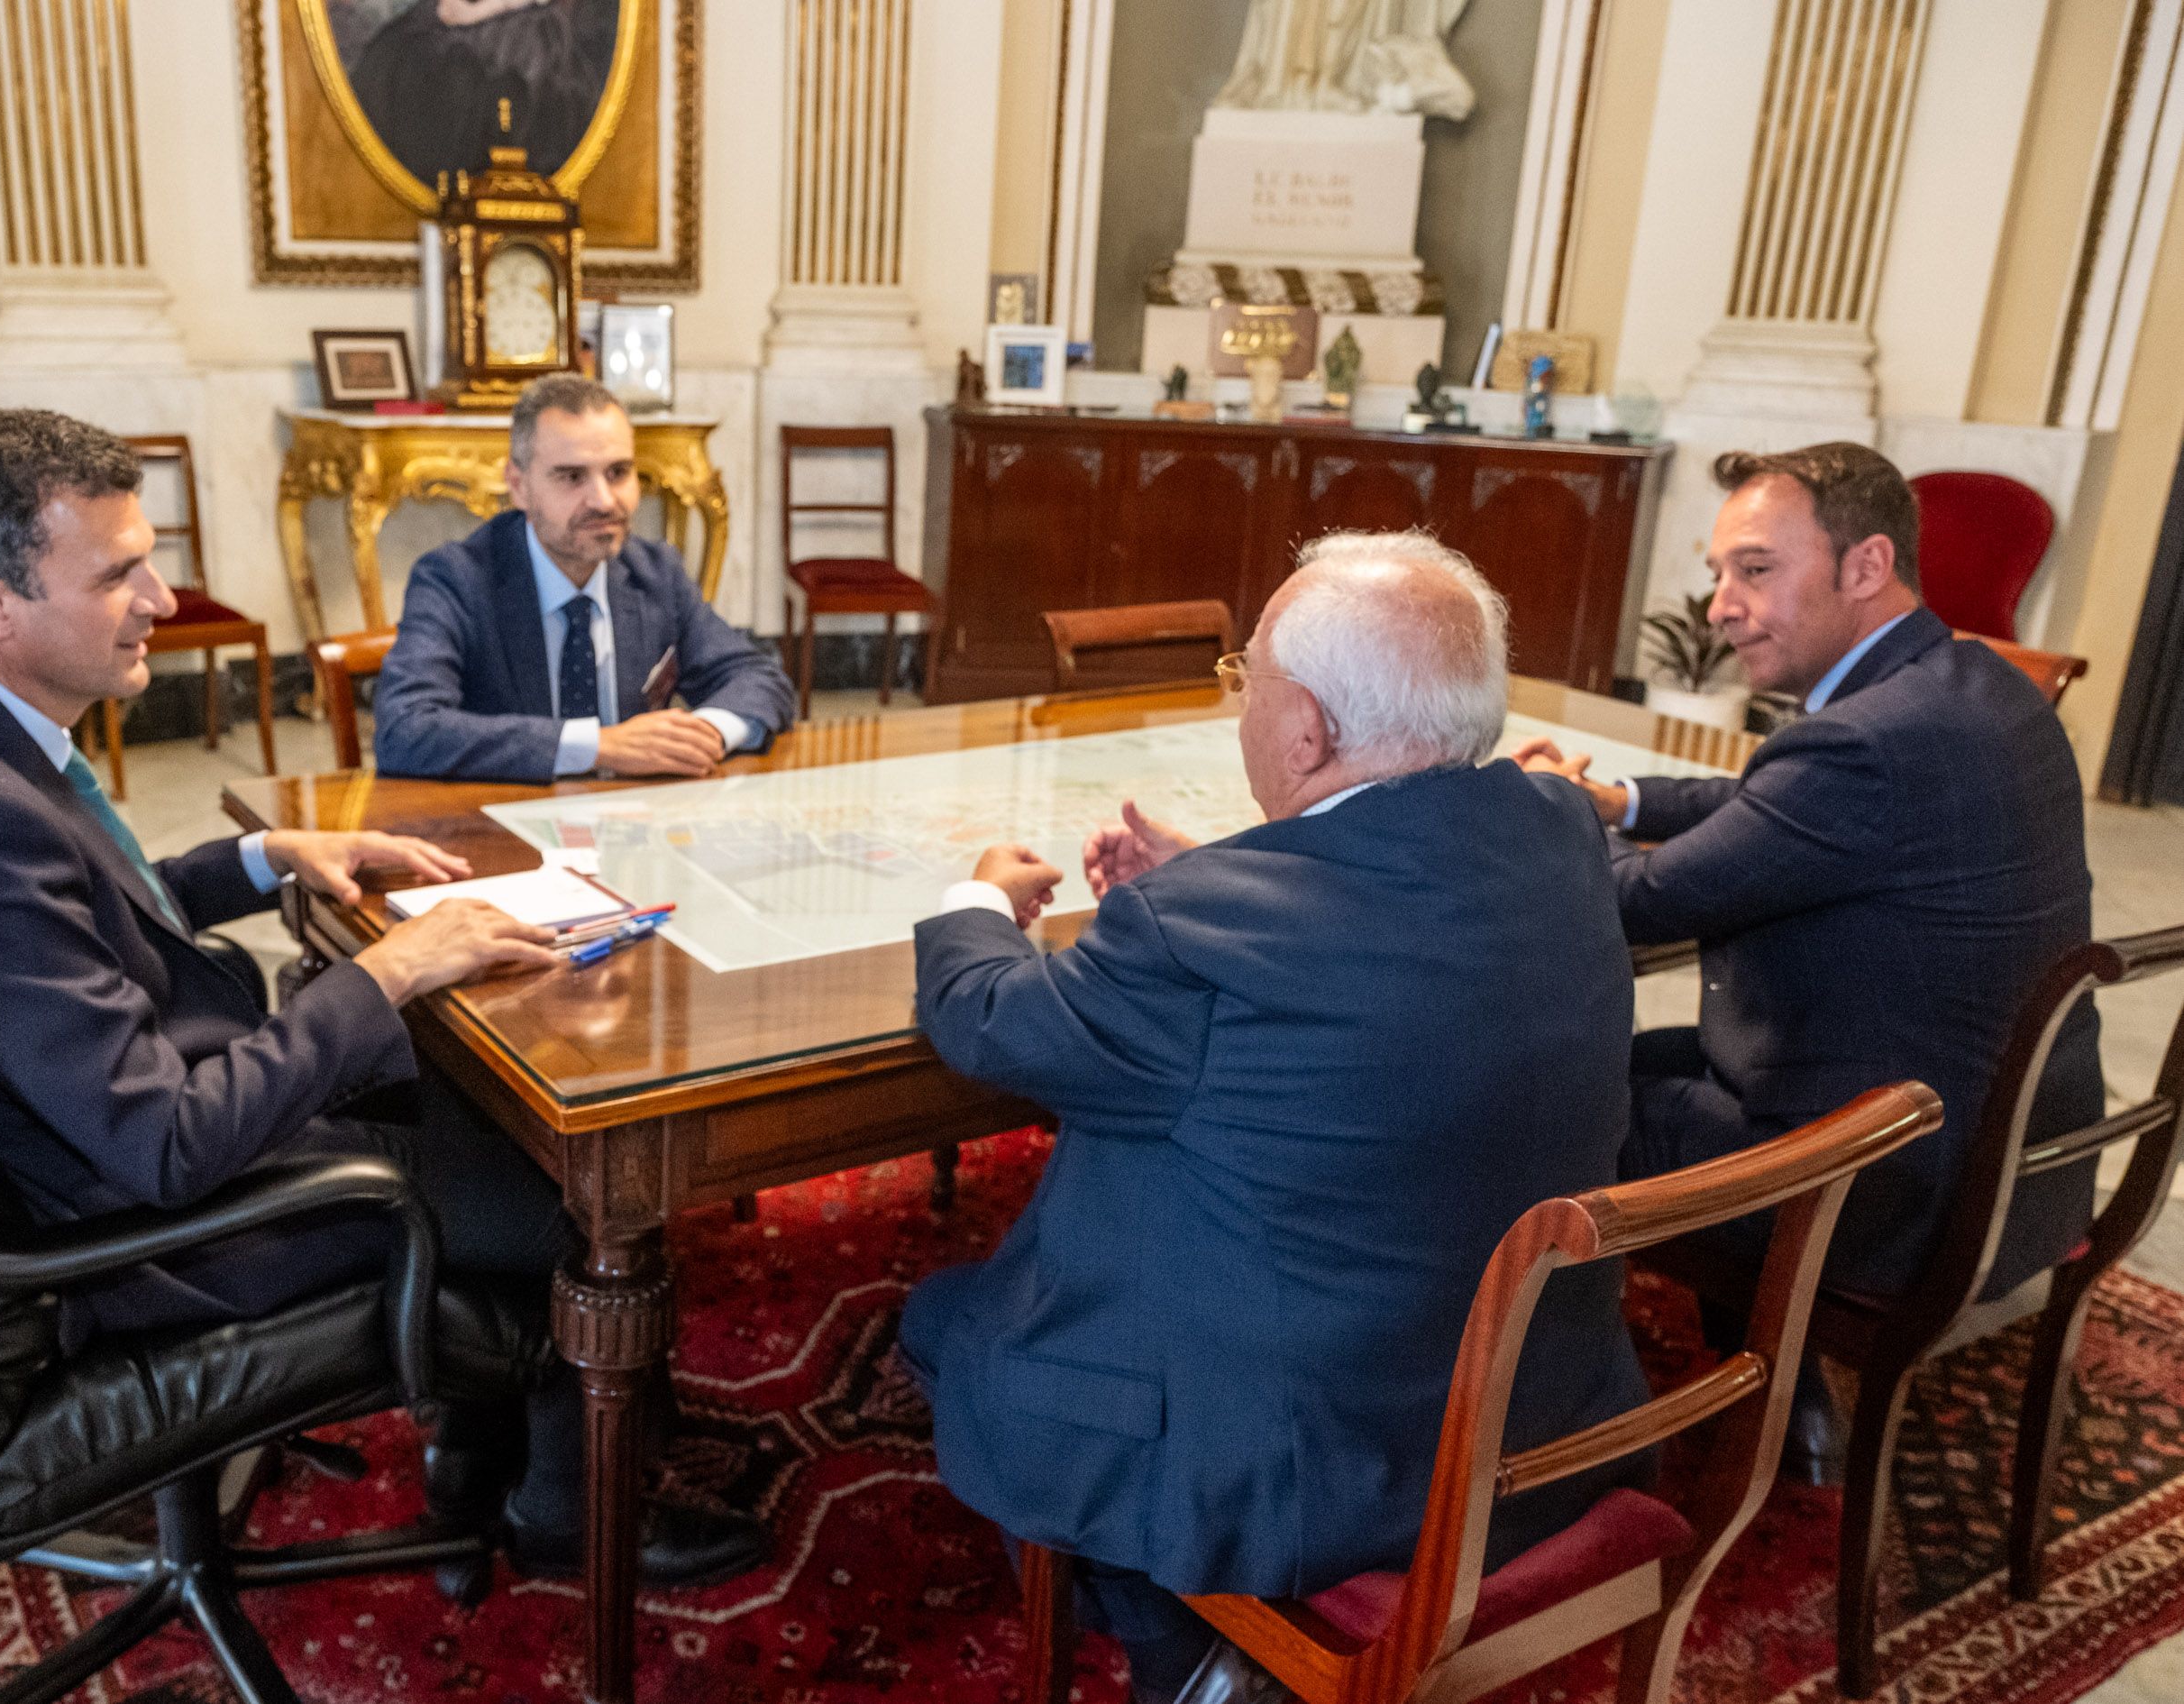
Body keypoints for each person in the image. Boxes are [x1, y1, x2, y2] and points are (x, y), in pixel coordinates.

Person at [0, 407, 763, 1586]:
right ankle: (569, 1518)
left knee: (488, 1104)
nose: (164, 599)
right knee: (592, 1199)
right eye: (119, 571)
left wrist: (261, 857)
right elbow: (162, 1140)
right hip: (160, 1230)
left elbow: (75, 915)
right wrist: (385, 969)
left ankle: (473, 1447)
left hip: (135, 1129)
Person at [900, 536, 1650, 1704]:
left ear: (1301, 730)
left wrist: (975, 900)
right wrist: (1209, 870)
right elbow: (1395, 900)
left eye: (1241, 679)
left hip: (1309, 1469)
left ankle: (1181, 1656)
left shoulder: (1194, 924)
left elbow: (993, 1022)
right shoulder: (1559, 831)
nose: (1239, 705)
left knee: (949, 1319)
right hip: (1540, 1413)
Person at [1514, 442, 2103, 1456]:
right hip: (2012, 1169)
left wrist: (1556, 820)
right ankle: (1783, 1402)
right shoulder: (1981, 689)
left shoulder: (1861, 745)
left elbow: (1641, 901)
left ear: (1866, 566)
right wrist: (1628, 800)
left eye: (1755, 570)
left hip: (1871, 1189)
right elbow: (1773, 800)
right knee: (1596, 1067)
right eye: (1718, 577)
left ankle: (1567, 1418)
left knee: (1523, 1101)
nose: (1720, 607)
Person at [374, 373, 796, 782]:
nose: (603, 500)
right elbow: (405, 729)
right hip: (504, 828)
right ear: (518, 486)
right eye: (572, 477)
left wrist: (700, 736)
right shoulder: (456, 580)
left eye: (618, 473)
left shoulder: (654, 572)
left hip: (632, 832)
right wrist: (599, 746)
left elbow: (759, 679)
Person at [347, 0, 619, 189]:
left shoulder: (540, 44)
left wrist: (480, 11)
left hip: (517, 31)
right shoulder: (410, 45)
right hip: (447, 26)